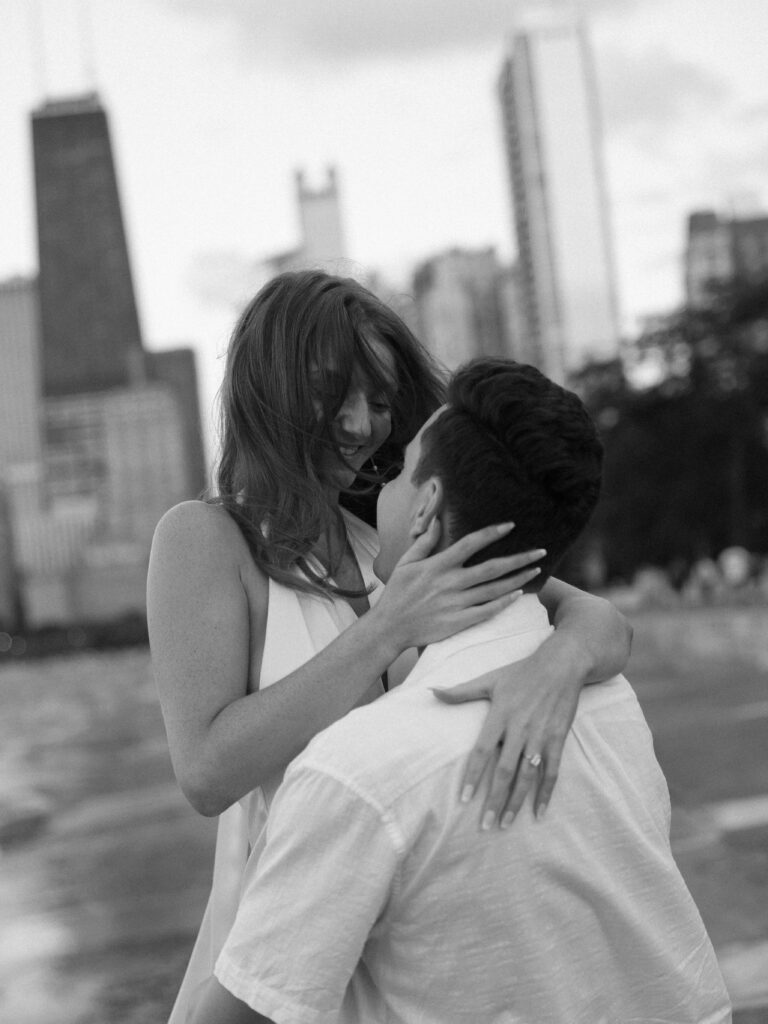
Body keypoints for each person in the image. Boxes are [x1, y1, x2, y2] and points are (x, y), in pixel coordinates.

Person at [147, 272, 632, 1023]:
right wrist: (387, 628)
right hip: (274, 960)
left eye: (379, 398)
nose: (361, 423)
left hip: (415, 960)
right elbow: (208, 772)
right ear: (267, 386)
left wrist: (557, 668)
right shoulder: (206, 540)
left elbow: (595, 618)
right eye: (331, 392)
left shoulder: (390, 535)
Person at [192, 359, 731, 1024]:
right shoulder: (614, 703)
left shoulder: (357, 772)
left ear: (425, 511)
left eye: (394, 473)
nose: (372, 473)